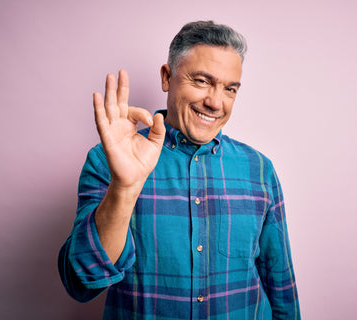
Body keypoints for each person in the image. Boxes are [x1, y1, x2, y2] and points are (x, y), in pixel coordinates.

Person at [58, 20, 300, 319]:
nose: (215, 102)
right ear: (166, 77)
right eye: (201, 81)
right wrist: (124, 187)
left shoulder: (259, 169)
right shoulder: (107, 161)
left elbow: (280, 286)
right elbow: (81, 282)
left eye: (230, 89)